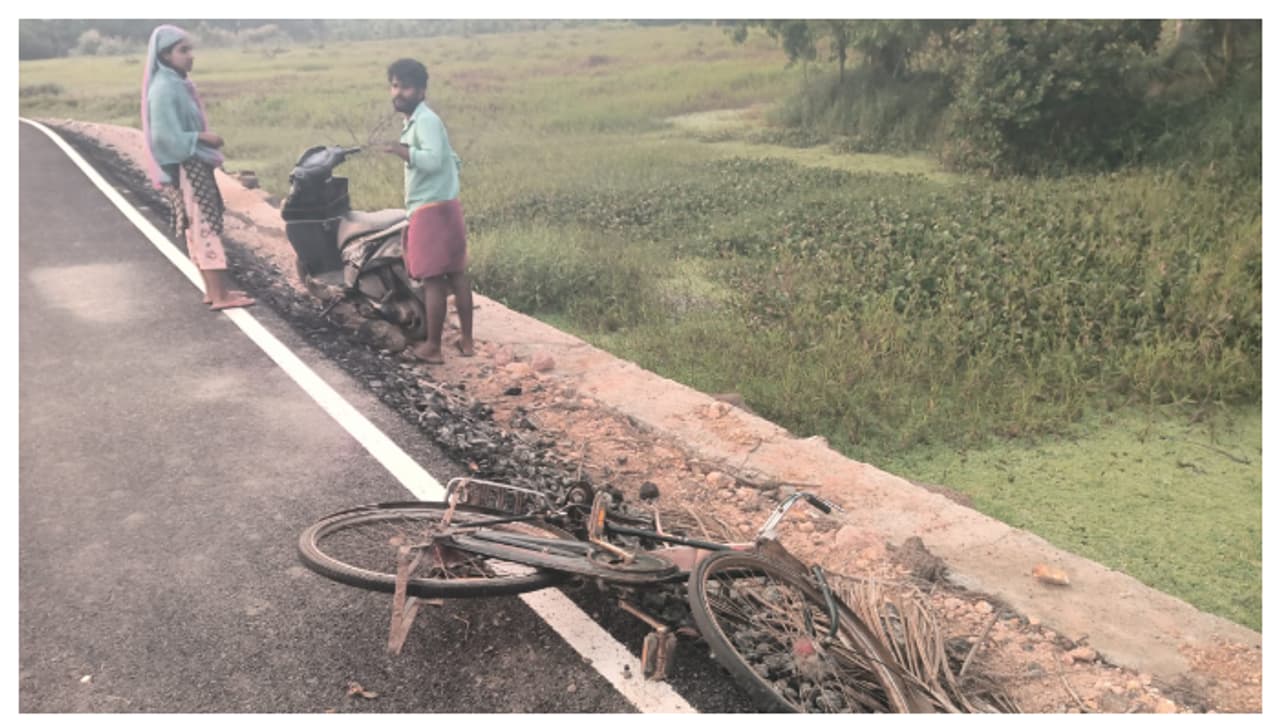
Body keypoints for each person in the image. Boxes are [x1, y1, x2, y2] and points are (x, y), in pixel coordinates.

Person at [141, 24, 254, 311]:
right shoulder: (165, 88)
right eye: (183, 50)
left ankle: (214, 290)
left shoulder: (175, 83)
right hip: (188, 165)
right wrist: (204, 137)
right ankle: (219, 295)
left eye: (190, 49)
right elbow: (164, 137)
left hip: (190, 164)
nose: (191, 56)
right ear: (165, 55)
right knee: (206, 226)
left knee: (198, 226)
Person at [383, 58, 474, 364]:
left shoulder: (425, 121)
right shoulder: (418, 120)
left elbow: (434, 161)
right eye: (395, 85)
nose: (399, 92)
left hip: (429, 209)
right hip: (446, 204)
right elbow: (451, 159)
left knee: (433, 279)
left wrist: (402, 151)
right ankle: (467, 340)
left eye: (406, 86)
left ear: (421, 91)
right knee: (457, 273)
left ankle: (433, 347)